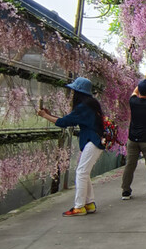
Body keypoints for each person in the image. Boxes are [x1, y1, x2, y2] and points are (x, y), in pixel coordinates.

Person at [37, 76, 104, 216]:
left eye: (74, 91)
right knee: (84, 172)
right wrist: (51, 115)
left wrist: (44, 115)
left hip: (92, 142)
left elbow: (63, 122)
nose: (72, 94)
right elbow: (68, 120)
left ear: (78, 92)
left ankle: (79, 206)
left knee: (81, 173)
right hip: (95, 141)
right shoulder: (91, 104)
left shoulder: (83, 107)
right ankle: (89, 203)